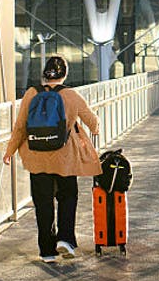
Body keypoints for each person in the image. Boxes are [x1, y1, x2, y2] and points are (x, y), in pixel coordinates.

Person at [5, 55, 102, 263]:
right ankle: (65, 239)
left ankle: (47, 251)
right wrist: (95, 127)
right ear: (64, 74)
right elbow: (92, 121)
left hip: (36, 157)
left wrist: (9, 151)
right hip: (64, 158)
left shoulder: (31, 93)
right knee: (68, 197)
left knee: (43, 203)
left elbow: (20, 127)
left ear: (45, 74)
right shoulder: (71, 95)